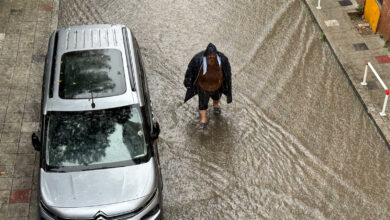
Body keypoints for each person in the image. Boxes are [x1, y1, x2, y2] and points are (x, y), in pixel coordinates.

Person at [184, 43, 232, 128]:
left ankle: (216, 105)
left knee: (217, 97)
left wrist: (227, 83)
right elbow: (190, 69)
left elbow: (228, 72)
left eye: (213, 56)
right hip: (203, 85)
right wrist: (187, 81)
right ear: (206, 55)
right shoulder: (198, 58)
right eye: (209, 56)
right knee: (202, 102)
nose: (211, 58)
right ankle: (203, 119)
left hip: (217, 84)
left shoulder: (223, 59)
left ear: (216, 55)